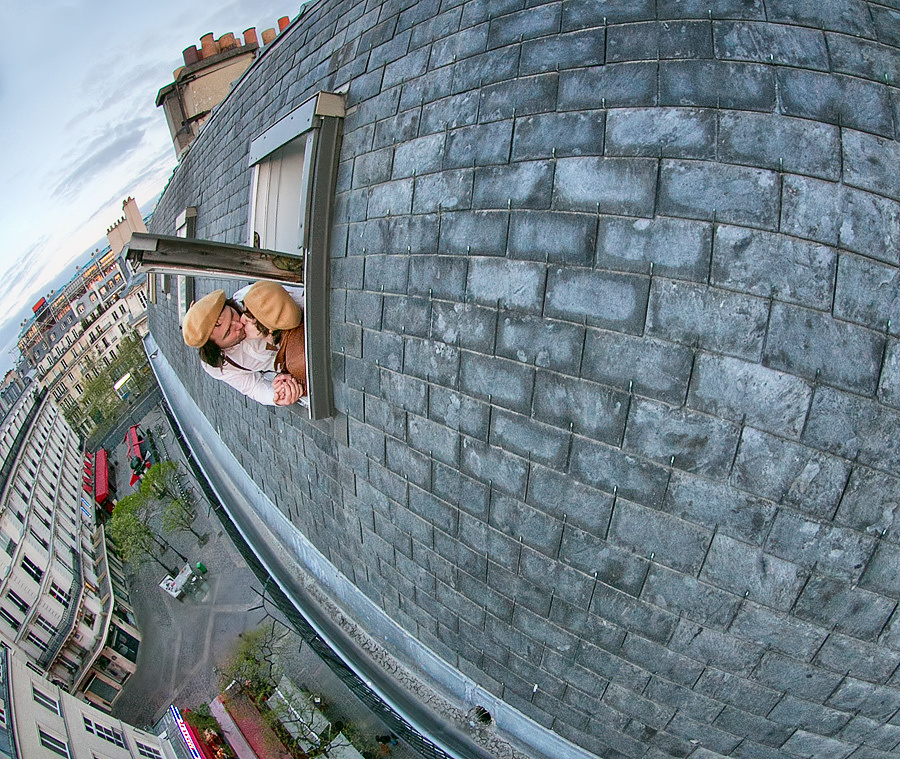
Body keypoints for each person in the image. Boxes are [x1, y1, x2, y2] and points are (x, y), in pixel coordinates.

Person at [181, 285, 303, 406]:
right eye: (228, 332)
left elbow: (303, 296)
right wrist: (278, 396)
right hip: (298, 372)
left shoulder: (250, 295)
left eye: (232, 315)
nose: (239, 325)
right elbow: (253, 387)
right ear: (217, 348)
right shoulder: (218, 365)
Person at [241, 281, 308, 396]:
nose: (241, 321)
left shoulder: (295, 361)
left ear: (269, 328)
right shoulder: (291, 343)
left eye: (248, 320)